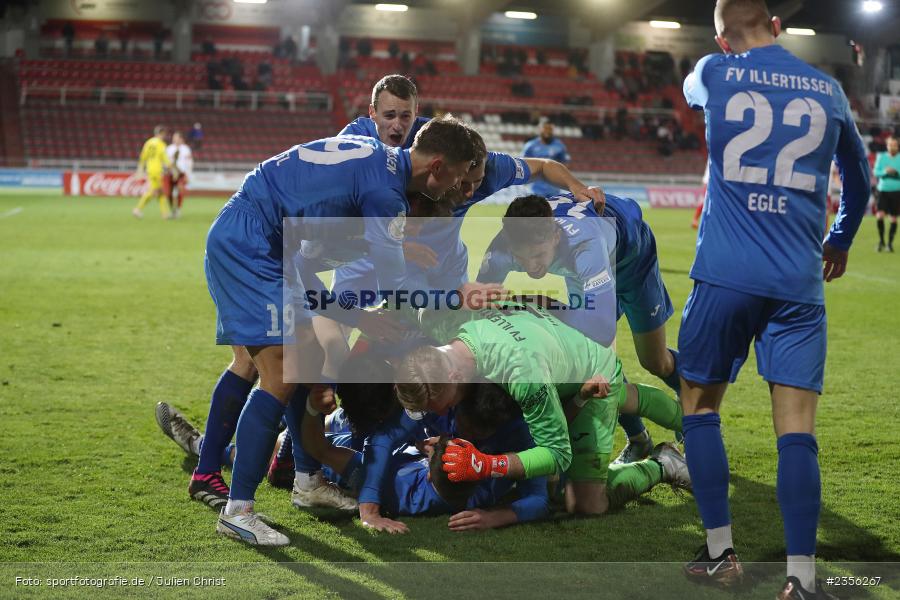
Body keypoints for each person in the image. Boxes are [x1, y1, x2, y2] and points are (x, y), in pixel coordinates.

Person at [206, 117, 477, 546]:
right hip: (254, 242)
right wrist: (457, 298)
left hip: (269, 240)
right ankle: (237, 511)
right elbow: (395, 289)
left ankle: (308, 481)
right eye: (459, 177)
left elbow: (307, 265)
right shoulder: (386, 199)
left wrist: (360, 318)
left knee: (306, 358)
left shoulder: (379, 161)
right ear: (438, 166)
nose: (457, 189)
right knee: (279, 375)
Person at [679, 1, 871, 597]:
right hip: (798, 284)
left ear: (720, 35)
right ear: (777, 26)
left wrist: (723, 61)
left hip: (725, 276)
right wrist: (838, 240)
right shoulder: (829, 90)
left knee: (701, 407)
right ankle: (803, 581)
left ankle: (721, 553)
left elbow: (693, 89)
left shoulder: (714, 70)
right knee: (796, 432)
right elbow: (859, 181)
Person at [394, 300, 691, 517]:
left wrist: (487, 464)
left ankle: (664, 463)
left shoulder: (521, 373)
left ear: (453, 378)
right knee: (623, 396)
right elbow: (402, 298)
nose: (434, 413)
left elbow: (558, 454)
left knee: (585, 503)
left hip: (584, 368)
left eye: (434, 405)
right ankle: (694, 420)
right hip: (561, 346)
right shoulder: (442, 323)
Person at [478, 193, 681, 463]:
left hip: (631, 259)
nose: (531, 267)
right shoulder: (503, 247)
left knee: (655, 362)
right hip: (583, 271)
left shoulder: (585, 245)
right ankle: (639, 439)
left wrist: (541, 308)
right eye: (521, 258)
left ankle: (695, 414)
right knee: (593, 359)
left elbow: (602, 327)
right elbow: (480, 308)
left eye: (538, 255)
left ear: (556, 238)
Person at [340, 74, 430, 150]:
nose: (397, 126)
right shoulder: (354, 137)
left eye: (405, 116)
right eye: (389, 116)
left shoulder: (429, 133)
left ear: (415, 113)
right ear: (372, 112)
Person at [132, 125, 172, 219]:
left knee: (160, 192)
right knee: (154, 191)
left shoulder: (148, 142)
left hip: (150, 169)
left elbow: (143, 157)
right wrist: (170, 166)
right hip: (157, 170)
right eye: (164, 134)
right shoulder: (161, 144)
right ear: (161, 133)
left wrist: (140, 169)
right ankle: (137, 209)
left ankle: (165, 214)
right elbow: (164, 157)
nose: (165, 136)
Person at [522, 120, 570, 197]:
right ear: (540, 129)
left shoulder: (560, 146)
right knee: (536, 208)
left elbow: (565, 163)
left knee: (553, 208)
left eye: (549, 129)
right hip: (535, 187)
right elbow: (523, 164)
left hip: (554, 187)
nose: (547, 131)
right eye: (545, 128)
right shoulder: (530, 146)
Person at [874, 136, 900, 252]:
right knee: (879, 215)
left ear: (897, 146)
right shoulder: (881, 157)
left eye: (894, 145)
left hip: (896, 191)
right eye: (890, 145)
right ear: (887, 145)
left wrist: (895, 173)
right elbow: (875, 172)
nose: (892, 147)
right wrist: (885, 171)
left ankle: (890, 243)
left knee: (893, 218)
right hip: (882, 190)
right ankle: (881, 241)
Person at [165, 132, 193, 219]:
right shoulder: (169, 149)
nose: (175, 139)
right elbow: (165, 161)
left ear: (181, 139)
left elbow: (189, 162)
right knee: (169, 193)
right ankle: (172, 210)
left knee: (180, 191)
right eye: (174, 138)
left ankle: (178, 209)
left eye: (176, 138)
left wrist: (188, 175)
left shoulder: (186, 149)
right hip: (171, 173)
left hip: (181, 173)